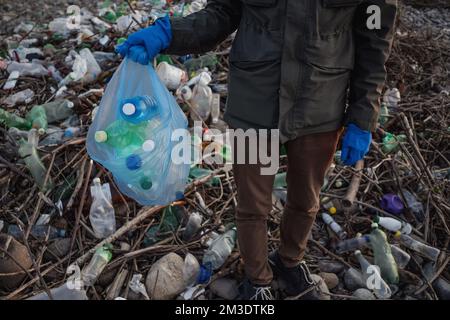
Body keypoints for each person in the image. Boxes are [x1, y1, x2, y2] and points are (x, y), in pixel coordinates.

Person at [117, 0, 398, 300]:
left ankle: (290, 261)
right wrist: (169, 33)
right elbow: (222, 13)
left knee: (306, 199)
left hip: (321, 104)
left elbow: (374, 44)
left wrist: (362, 116)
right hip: (255, 101)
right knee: (253, 203)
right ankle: (257, 279)